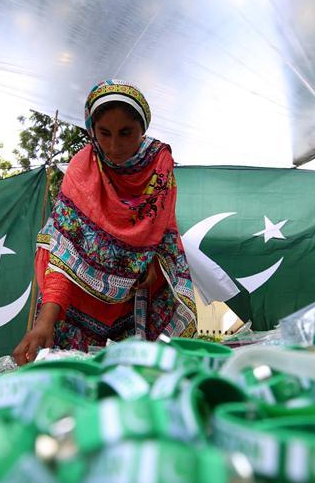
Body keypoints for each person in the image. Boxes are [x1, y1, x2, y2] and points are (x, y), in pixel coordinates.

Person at [13, 80, 197, 364]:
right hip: (75, 302)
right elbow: (64, 255)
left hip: (134, 301)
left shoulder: (159, 169)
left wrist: (150, 262)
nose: (114, 145)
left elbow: (162, 235)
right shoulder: (82, 169)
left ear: (143, 129)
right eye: (104, 133)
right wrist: (44, 322)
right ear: (92, 131)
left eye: (126, 133)